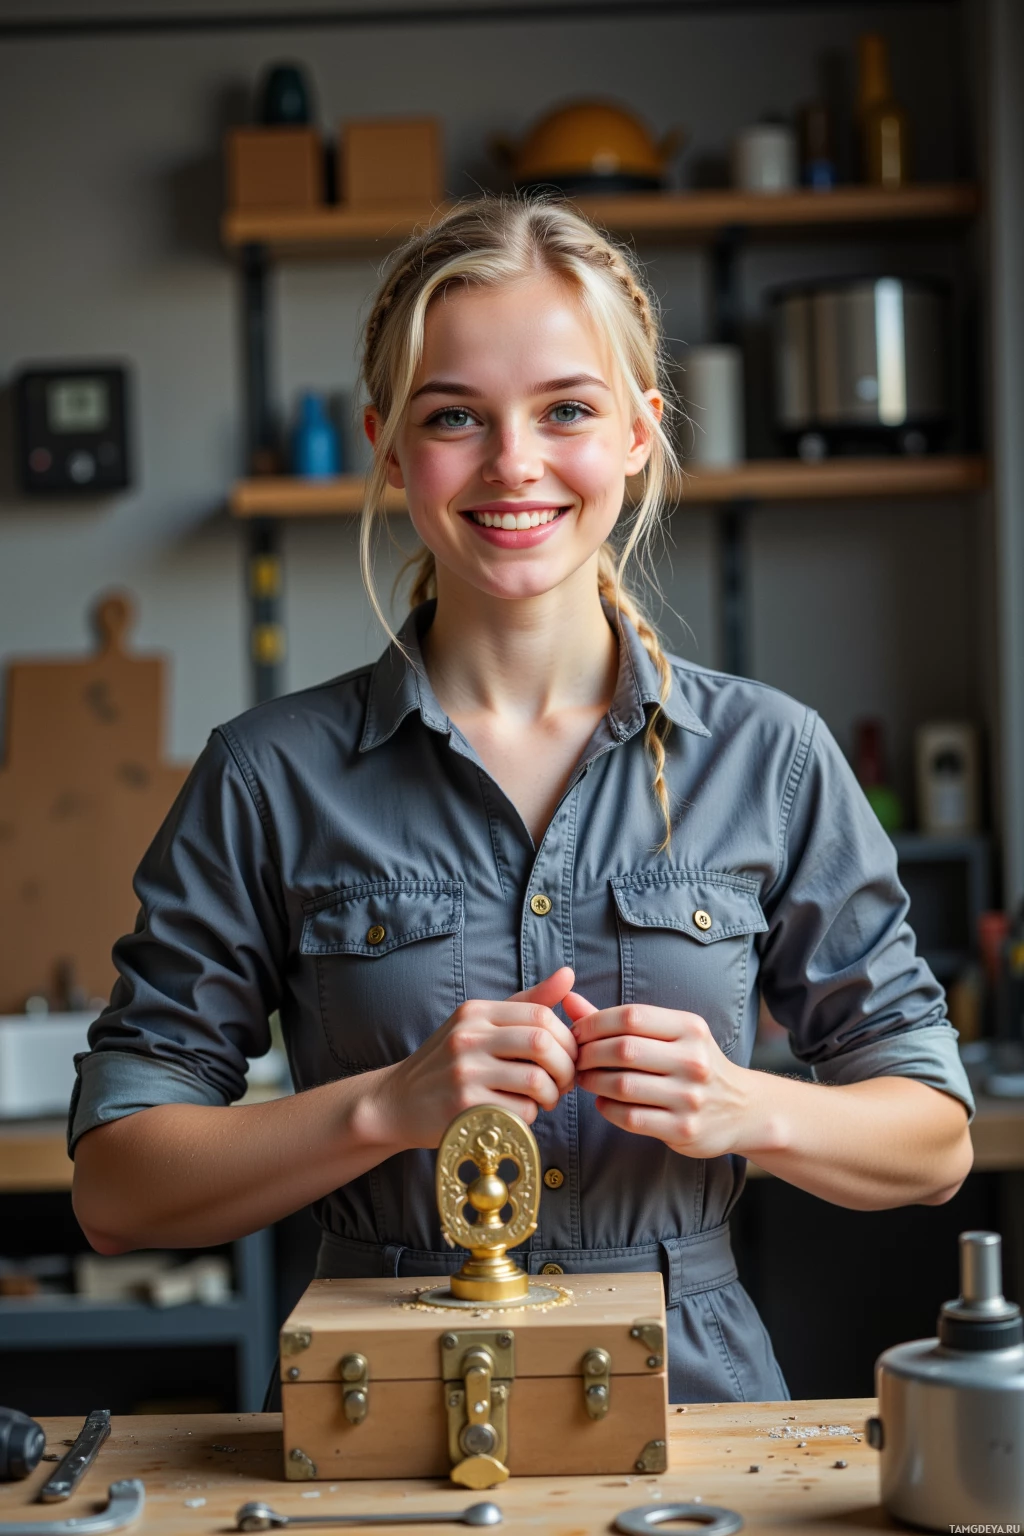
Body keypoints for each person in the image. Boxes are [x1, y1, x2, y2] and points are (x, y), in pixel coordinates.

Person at [70, 196, 974, 1404]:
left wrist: (743, 1106)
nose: (514, 464)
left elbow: (932, 1140)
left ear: (641, 432)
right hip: (374, 1426)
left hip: (693, 1418)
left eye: (566, 410)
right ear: (388, 444)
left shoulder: (773, 758)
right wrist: (386, 1105)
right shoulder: (265, 777)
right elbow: (119, 1189)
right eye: (455, 417)